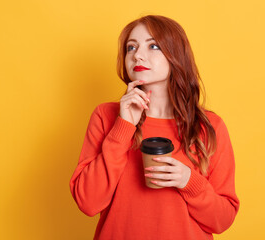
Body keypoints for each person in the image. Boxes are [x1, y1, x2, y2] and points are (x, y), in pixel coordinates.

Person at [69, 15, 239, 240]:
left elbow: (222, 219)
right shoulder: (106, 116)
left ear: (175, 55)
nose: (137, 55)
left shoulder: (209, 127)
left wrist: (189, 181)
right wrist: (124, 126)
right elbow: (88, 202)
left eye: (153, 46)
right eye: (131, 47)